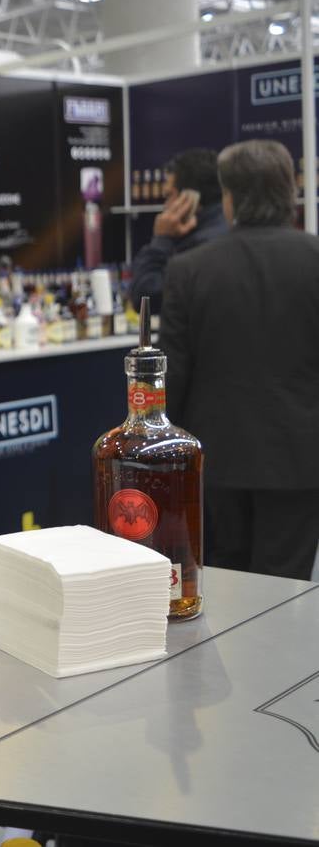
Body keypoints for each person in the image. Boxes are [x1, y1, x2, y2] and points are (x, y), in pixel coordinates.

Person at [161, 139, 319, 580]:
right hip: (302, 460)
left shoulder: (189, 270)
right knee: (287, 584)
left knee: (225, 578)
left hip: (217, 459)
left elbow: (173, 376)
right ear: (290, 191)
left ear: (229, 198)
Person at [131, 149, 228, 315]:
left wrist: (161, 239)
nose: (166, 206)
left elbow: (145, 296)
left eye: (169, 196)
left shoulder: (199, 249)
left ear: (189, 199)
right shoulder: (233, 230)